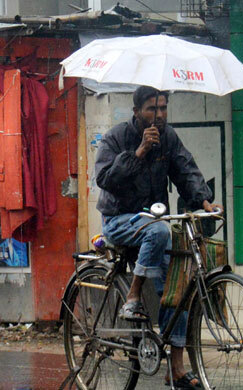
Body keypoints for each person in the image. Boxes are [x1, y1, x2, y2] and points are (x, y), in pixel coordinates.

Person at [94, 86, 221, 389]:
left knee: (178, 286)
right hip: (119, 220)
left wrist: (205, 202)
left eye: (163, 108)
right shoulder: (116, 138)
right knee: (159, 230)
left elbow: (186, 169)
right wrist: (137, 153)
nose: (160, 115)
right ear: (136, 111)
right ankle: (134, 294)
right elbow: (105, 178)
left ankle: (175, 369)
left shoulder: (168, 137)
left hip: (155, 222)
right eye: (152, 109)